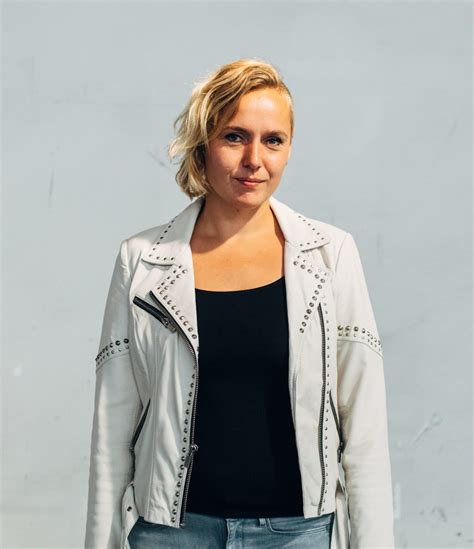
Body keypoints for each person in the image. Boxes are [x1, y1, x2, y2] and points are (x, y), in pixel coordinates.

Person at [84, 58, 395, 549]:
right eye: (234, 137)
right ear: (202, 145)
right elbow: (112, 430)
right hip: (172, 535)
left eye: (273, 140)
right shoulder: (143, 261)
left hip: (298, 534)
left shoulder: (329, 257)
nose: (255, 159)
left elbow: (365, 432)